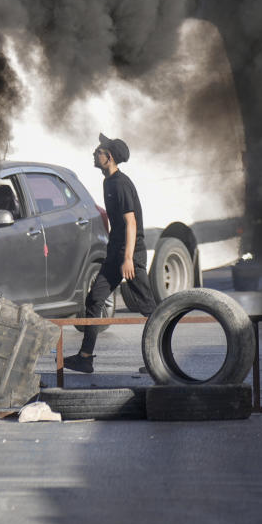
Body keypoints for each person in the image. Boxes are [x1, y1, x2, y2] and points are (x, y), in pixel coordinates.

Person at [62, 134, 157, 373]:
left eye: (98, 152)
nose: (94, 154)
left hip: (129, 255)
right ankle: (85, 357)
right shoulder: (108, 182)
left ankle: (160, 360)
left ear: (109, 157)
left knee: (150, 309)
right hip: (116, 253)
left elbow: (131, 222)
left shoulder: (121, 183)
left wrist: (128, 259)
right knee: (95, 299)